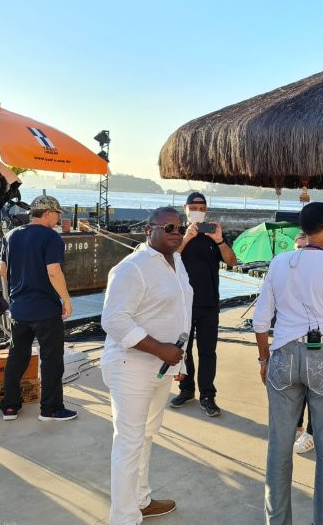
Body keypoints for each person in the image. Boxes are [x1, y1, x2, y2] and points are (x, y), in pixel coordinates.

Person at [253, 202, 323, 525]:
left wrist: (264, 359)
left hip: (283, 355)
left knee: (278, 446)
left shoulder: (280, 262)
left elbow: (261, 321)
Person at [100, 207, 193, 524]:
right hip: (131, 366)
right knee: (129, 441)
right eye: (168, 228)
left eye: (180, 227)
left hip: (162, 367)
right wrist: (160, 349)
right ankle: (123, 517)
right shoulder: (132, 268)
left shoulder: (177, 261)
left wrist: (178, 360)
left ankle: (139, 500)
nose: (176, 232)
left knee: (147, 435)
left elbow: (180, 313)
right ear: (147, 230)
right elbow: (114, 320)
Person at [0, 195, 76, 422]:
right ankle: (51, 409)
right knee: (51, 360)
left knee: (17, 357)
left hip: (19, 309)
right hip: (45, 310)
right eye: (58, 214)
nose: (58, 219)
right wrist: (66, 300)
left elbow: (3, 271)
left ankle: (10, 406)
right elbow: (54, 272)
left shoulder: (11, 235)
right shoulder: (51, 237)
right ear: (49, 213)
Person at [170, 192, 238, 416]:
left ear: (206, 210)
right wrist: (186, 238)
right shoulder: (176, 232)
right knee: (184, 350)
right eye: (193, 207)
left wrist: (219, 240)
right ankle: (186, 389)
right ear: (185, 208)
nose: (197, 211)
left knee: (208, 351)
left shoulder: (213, 233)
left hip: (208, 303)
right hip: (183, 303)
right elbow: (167, 260)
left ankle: (208, 395)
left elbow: (232, 261)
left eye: (202, 208)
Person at [291, 231, 315, 454]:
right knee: (295, 387)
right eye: (298, 248)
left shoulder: (322, 272)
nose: (302, 252)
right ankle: (297, 426)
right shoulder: (285, 272)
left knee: (313, 388)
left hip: (316, 338)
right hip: (292, 339)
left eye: (306, 247)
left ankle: (311, 432)